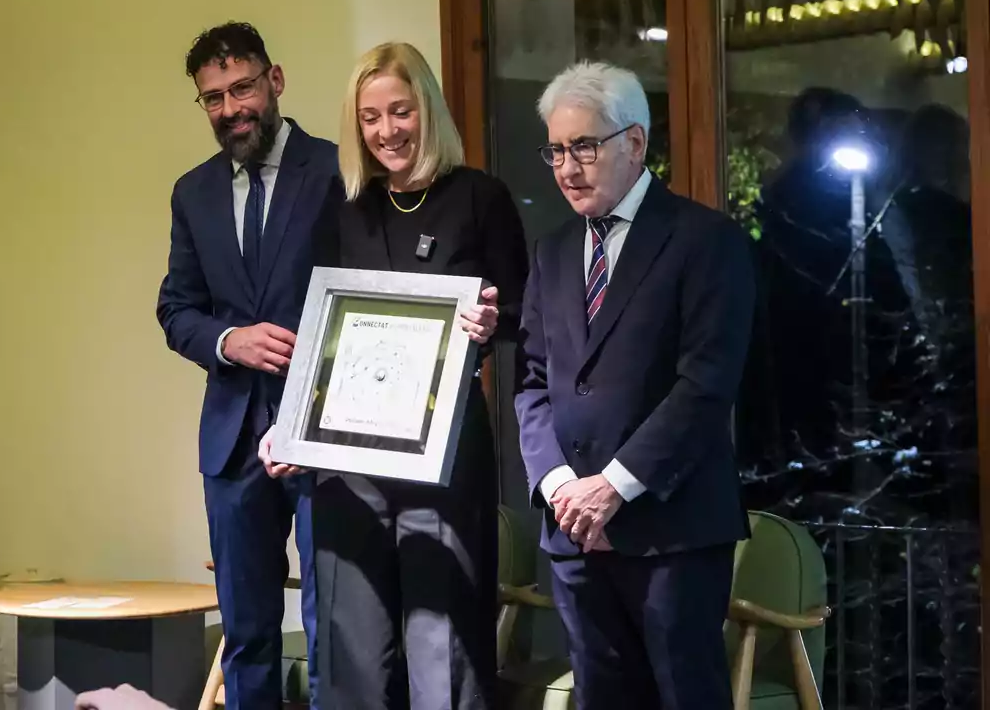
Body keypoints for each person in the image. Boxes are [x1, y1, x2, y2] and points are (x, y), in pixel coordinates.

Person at [261, 42, 528, 710]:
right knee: (352, 646)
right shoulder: (343, 205)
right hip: (347, 462)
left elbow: (526, 313)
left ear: (427, 110)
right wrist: (288, 429)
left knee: (445, 645)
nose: (387, 132)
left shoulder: (480, 199)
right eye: (371, 118)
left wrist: (493, 322)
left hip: (443, 455)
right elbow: (319, 329)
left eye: (400, 112)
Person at [515, 61, 755, 709]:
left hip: (670, 531)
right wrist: (562, 487)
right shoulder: (554, 250)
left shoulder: (706, 241)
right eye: (556, 151)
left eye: (584, 148)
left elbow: (705, 386)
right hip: (573, 533)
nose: (567, 168)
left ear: (635, 143)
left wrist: (614, 485)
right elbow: (532, 384)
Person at [156, 21, 341, 708]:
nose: (231, 109)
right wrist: (227, 341)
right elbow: (177, 309)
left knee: (334, 632)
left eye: (243, 88)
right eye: (213, 98)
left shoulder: (336, 170)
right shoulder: (192, 192)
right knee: (246, 633)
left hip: (328, 434)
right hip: (232, 441)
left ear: (276, 81)